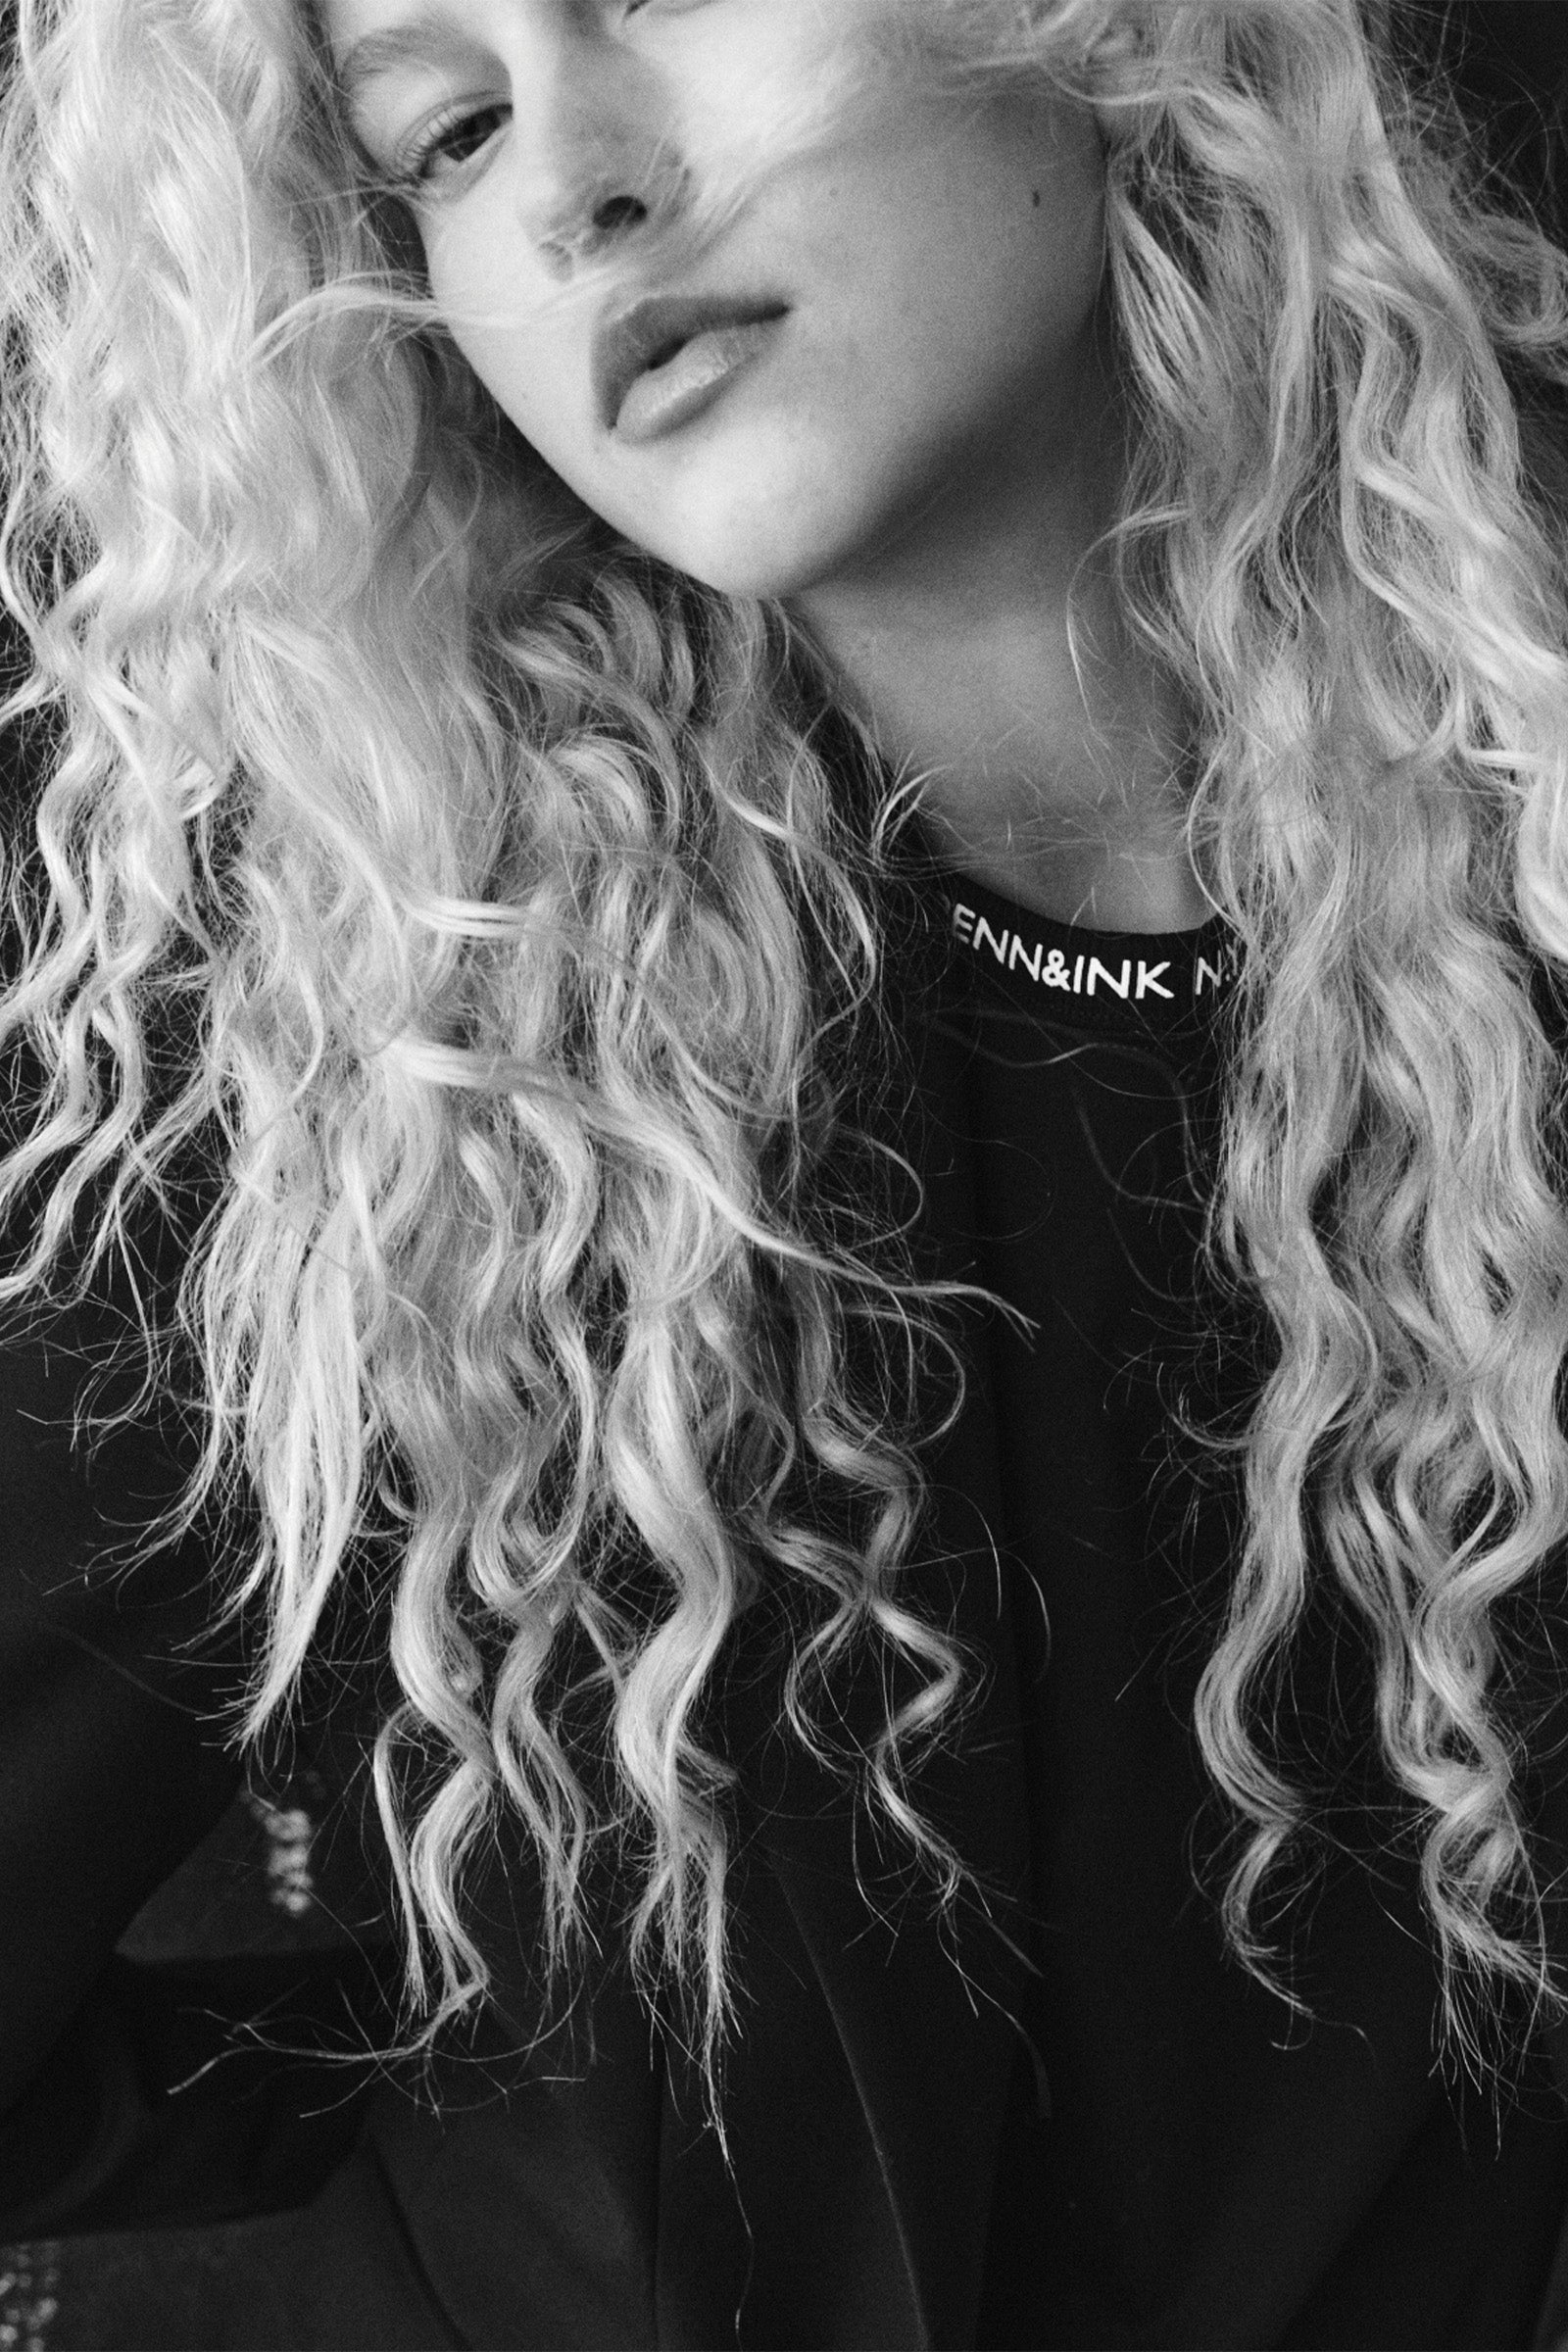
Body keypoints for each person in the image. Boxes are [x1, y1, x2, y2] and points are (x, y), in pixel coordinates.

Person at [3, 0, 1568, 2343]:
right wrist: (386, 2105)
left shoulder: (1512, 845)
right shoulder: (396, 1083)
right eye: (445, 132)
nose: (570, 189)